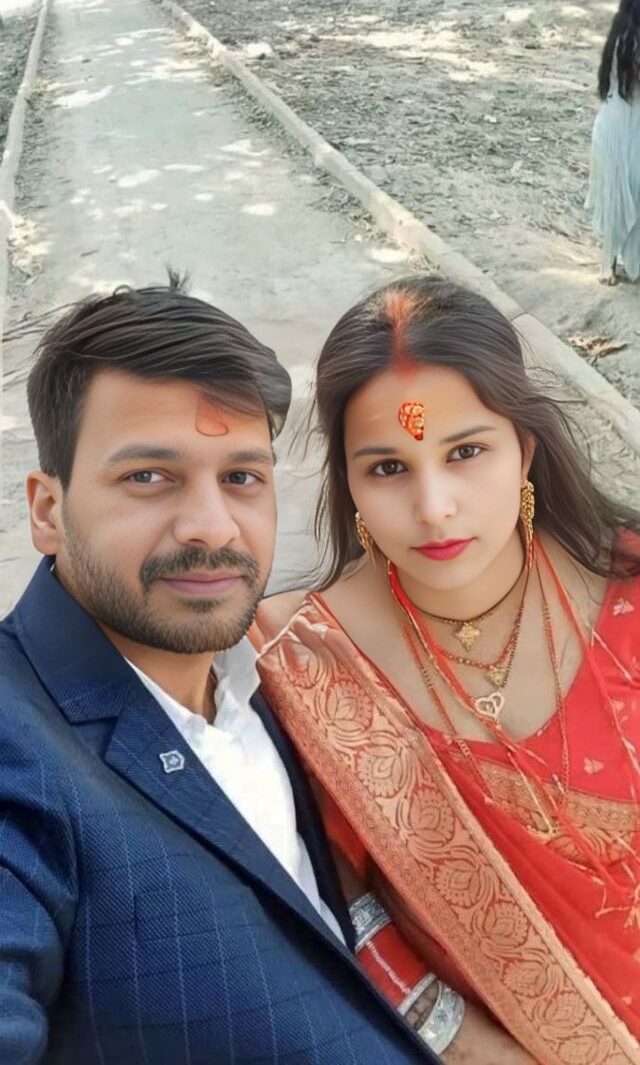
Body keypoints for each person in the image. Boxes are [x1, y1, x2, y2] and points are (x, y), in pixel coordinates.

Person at [0, 277, 441, 1064]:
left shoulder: (269, 685)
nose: (212, 526)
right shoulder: (17, 740)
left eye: (241, 477)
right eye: (149, 476)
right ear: (47, 511)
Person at [257, 275, 640, 1065]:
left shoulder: (628, 587)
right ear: (348, 481)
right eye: (387, 467)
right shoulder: (303, 663)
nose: (433, 507)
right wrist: (462, 1043)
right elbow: (330, 901)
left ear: (523, 449)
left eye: (465, 452)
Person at [586, 0, 640, 283]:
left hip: (615, 125)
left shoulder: (619, 34)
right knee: (624, 197)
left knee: (620, 198)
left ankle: (611, 264)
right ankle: (610, 264)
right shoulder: (631, 41)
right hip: (625, 132)